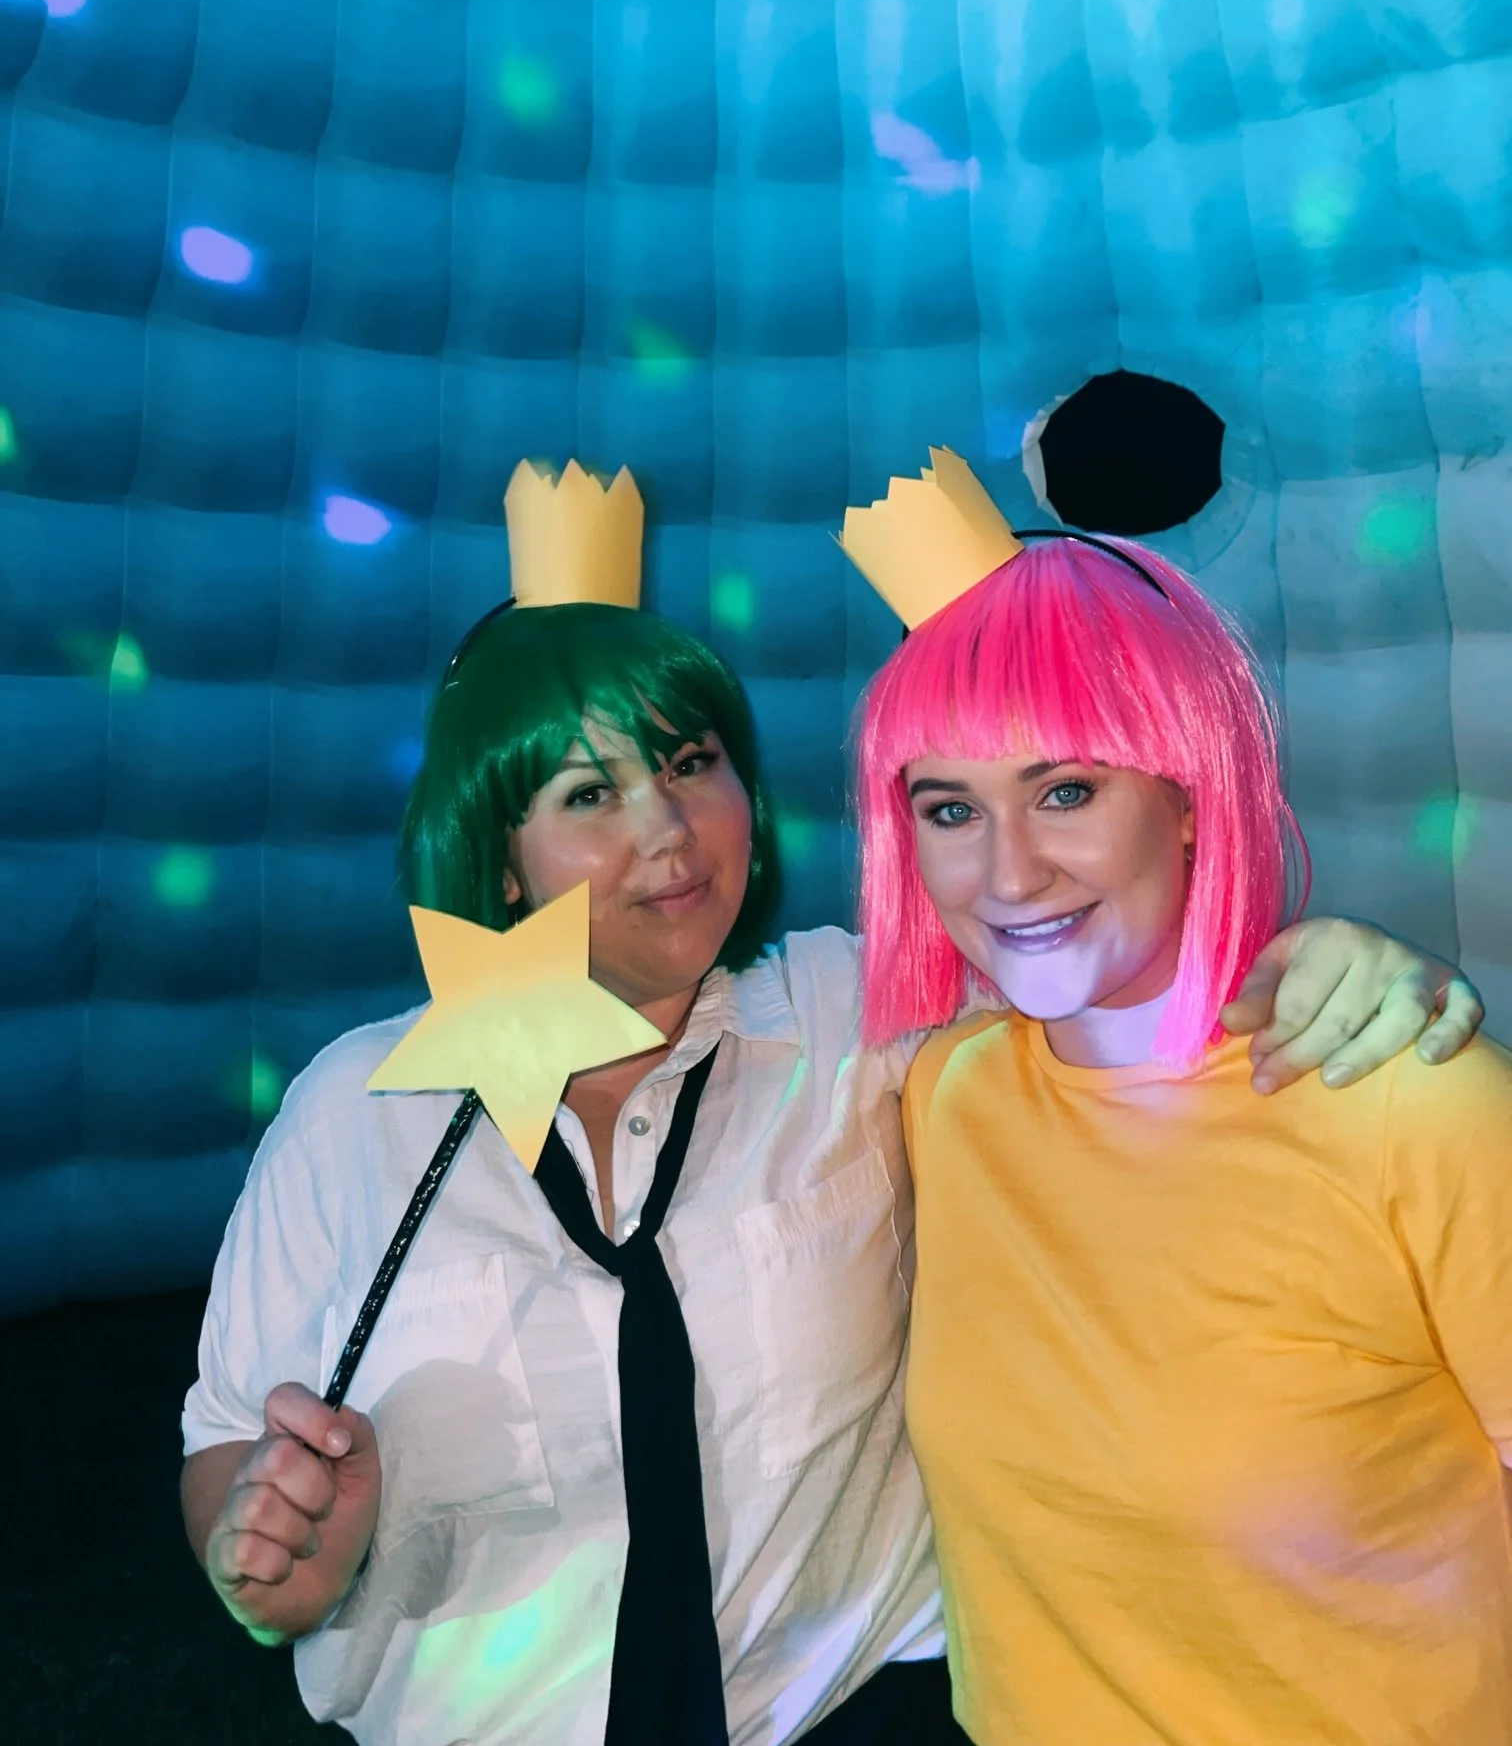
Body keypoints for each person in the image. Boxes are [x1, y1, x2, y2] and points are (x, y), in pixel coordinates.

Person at [181, 526, 1482, 1746]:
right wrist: (276, 1555)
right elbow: (231, 1437)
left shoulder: (866, 1025)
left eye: (690, 763)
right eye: (588, 793)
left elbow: (1110, 963)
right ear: (499, 854)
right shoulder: (355, 1115)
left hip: (847, 1713)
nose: (666, 833)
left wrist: (1338, 956)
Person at [852, 520, 1512, 1745]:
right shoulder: (948, 1097)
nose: (1008, 874)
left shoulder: (1412, 1102)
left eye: (1065, 791)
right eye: (950, 808)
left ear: (1192, 795)